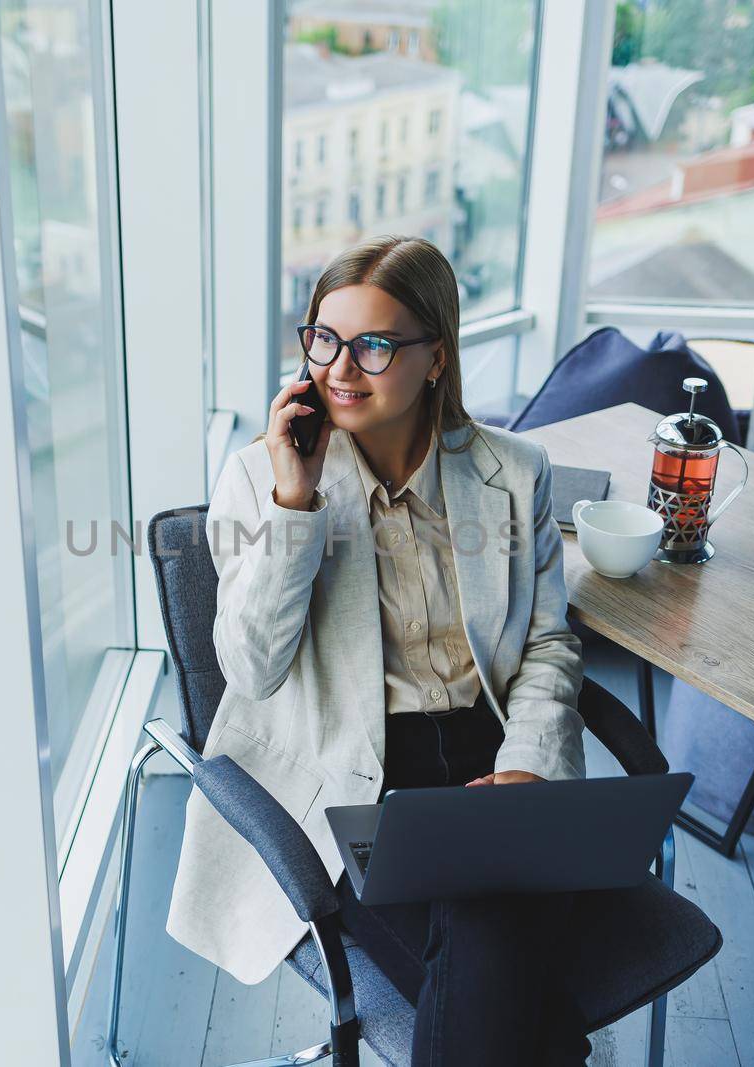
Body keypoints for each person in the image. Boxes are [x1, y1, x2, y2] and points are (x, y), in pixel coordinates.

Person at [167, 235, 591, 1063]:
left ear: (437, 356)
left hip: (489, 751)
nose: (339, 368)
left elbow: (546, 642)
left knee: (486, 949)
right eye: (324, 337)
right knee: (501, 949)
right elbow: (251, 670)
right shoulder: (260, 480)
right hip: (348, 769)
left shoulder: (518, 471)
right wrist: (297, 502)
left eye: (375, 343)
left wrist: (529, 766)